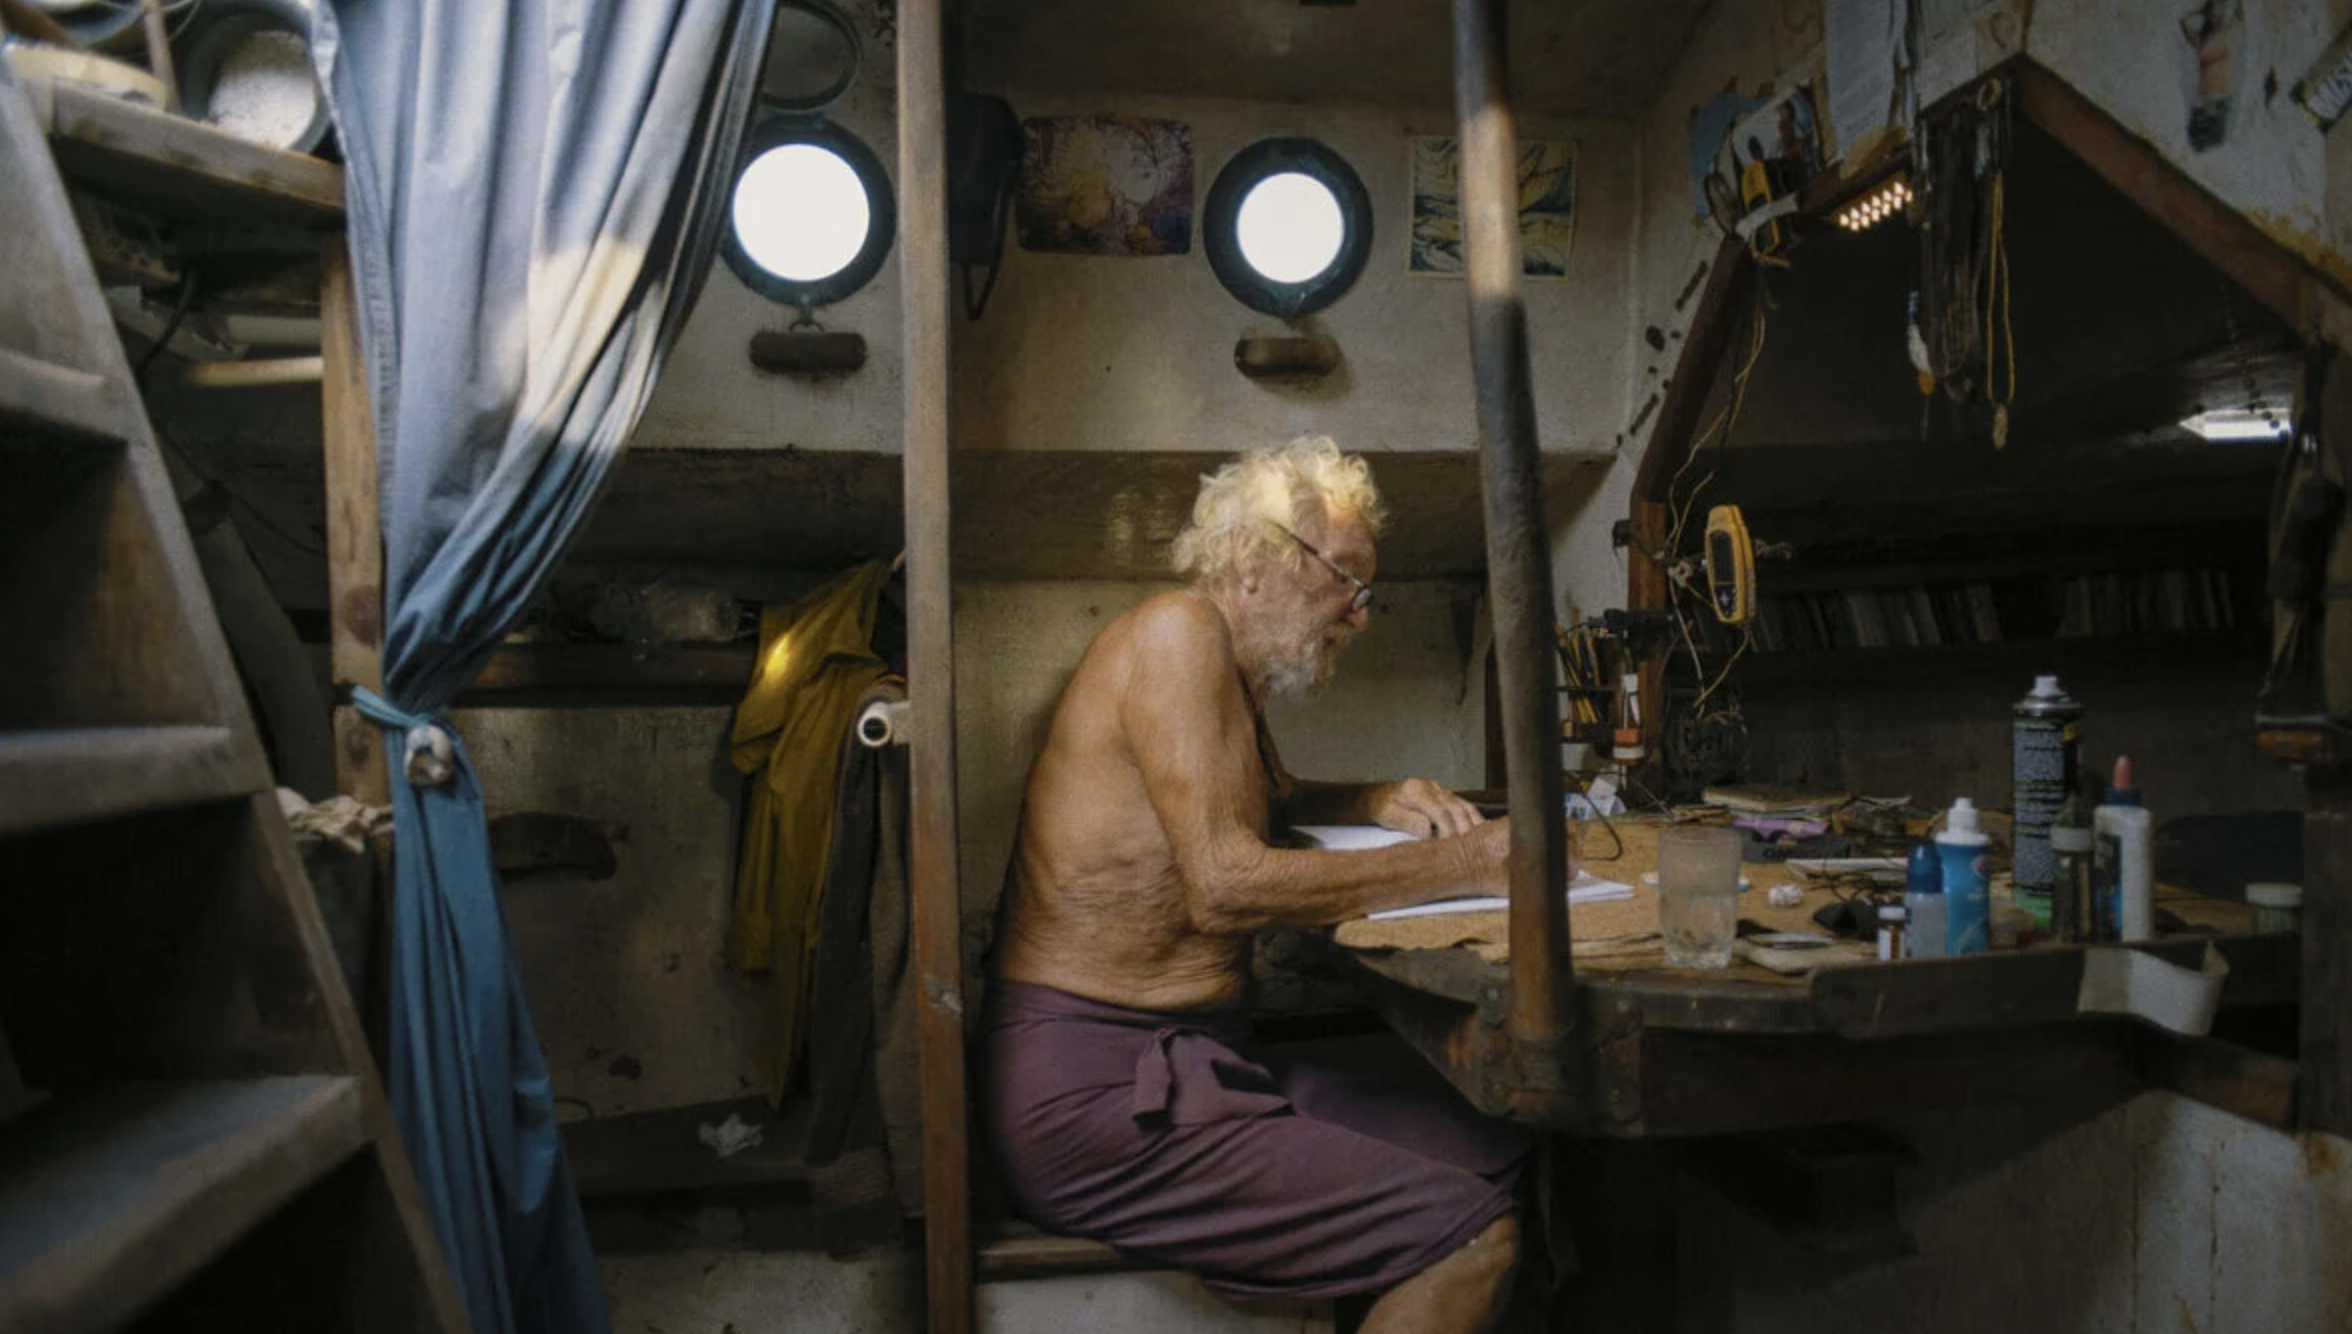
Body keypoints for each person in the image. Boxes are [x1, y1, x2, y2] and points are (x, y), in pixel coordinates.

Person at [985, 436, 1533, 1333]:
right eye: (1346, 580)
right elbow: (1225, 886)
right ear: (1251, 557)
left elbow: (1256, 801)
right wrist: (1466, 863)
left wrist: (1372, 796)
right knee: (1475, 1236)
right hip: (1098, 1096)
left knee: (1492, 1140)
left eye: (1367, 593)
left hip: (1195, 1058)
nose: (1359, 617)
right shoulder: (1178, 633)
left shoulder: (1233, 679)